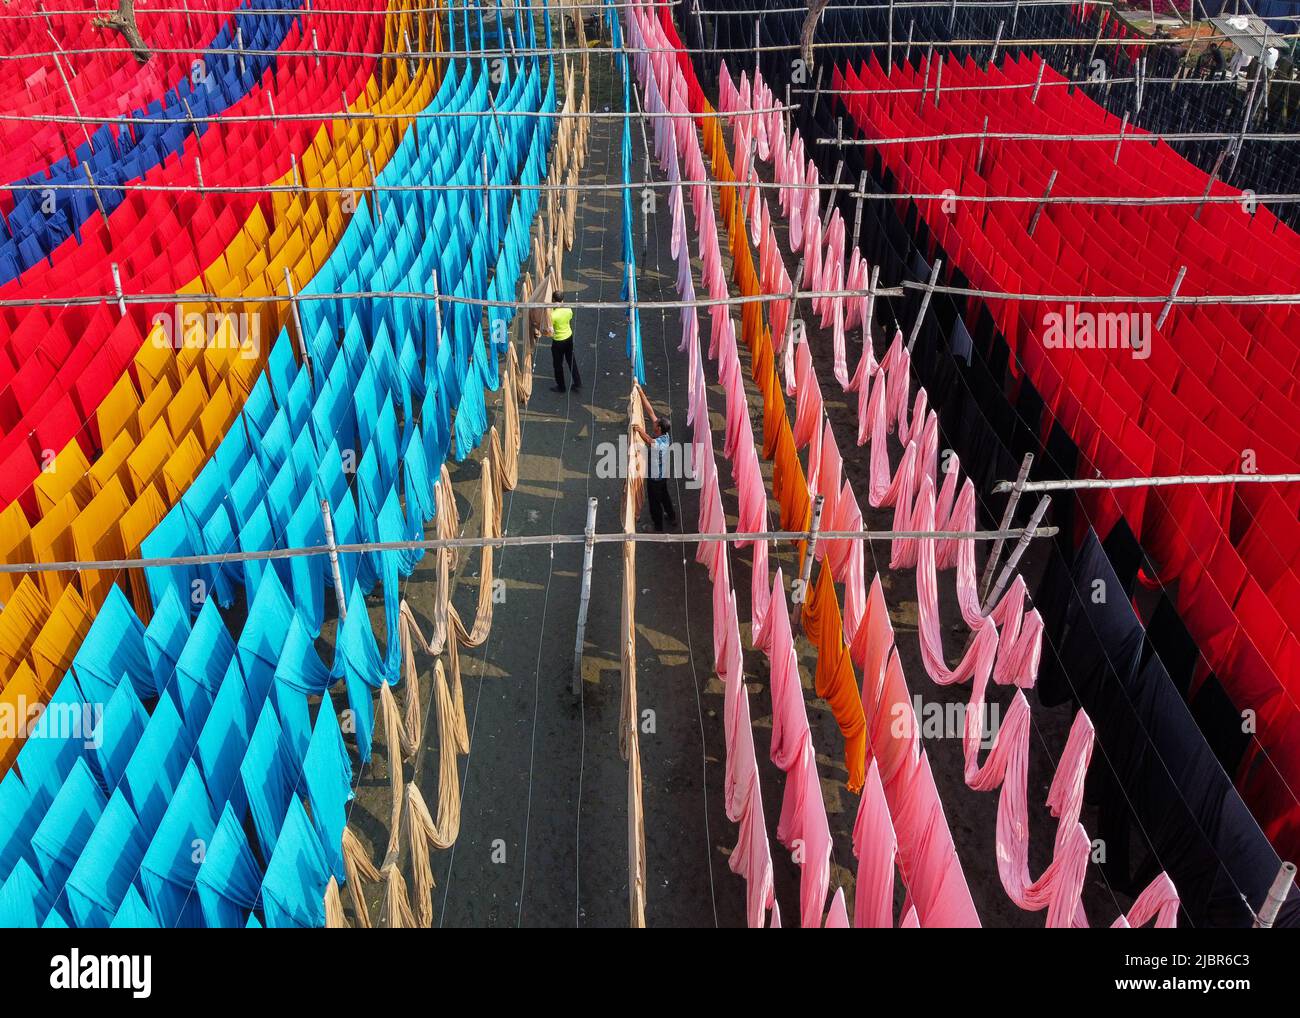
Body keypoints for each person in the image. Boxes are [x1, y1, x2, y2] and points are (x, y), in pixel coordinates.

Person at [631, 384, 677, 531]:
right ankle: (672, 517)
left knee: (654, 502)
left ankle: (657, 526)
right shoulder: (664, 434)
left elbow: (650, 442)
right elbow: (650, 411)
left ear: (659, 429)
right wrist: (641, 391)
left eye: (655, 425)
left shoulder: (661, 443)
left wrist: (639, 430)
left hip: (655, 478)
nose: (653, 424)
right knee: (664, 496)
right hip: (662, 476)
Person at [546, 289, 581, 392]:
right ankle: (577, 381)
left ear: (553, 300)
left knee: (558, 365)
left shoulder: (553, 315)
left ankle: (561, 386)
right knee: (571, 360)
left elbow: (549, 329)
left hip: (558, 341)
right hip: (568, 337)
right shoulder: (568, 309)